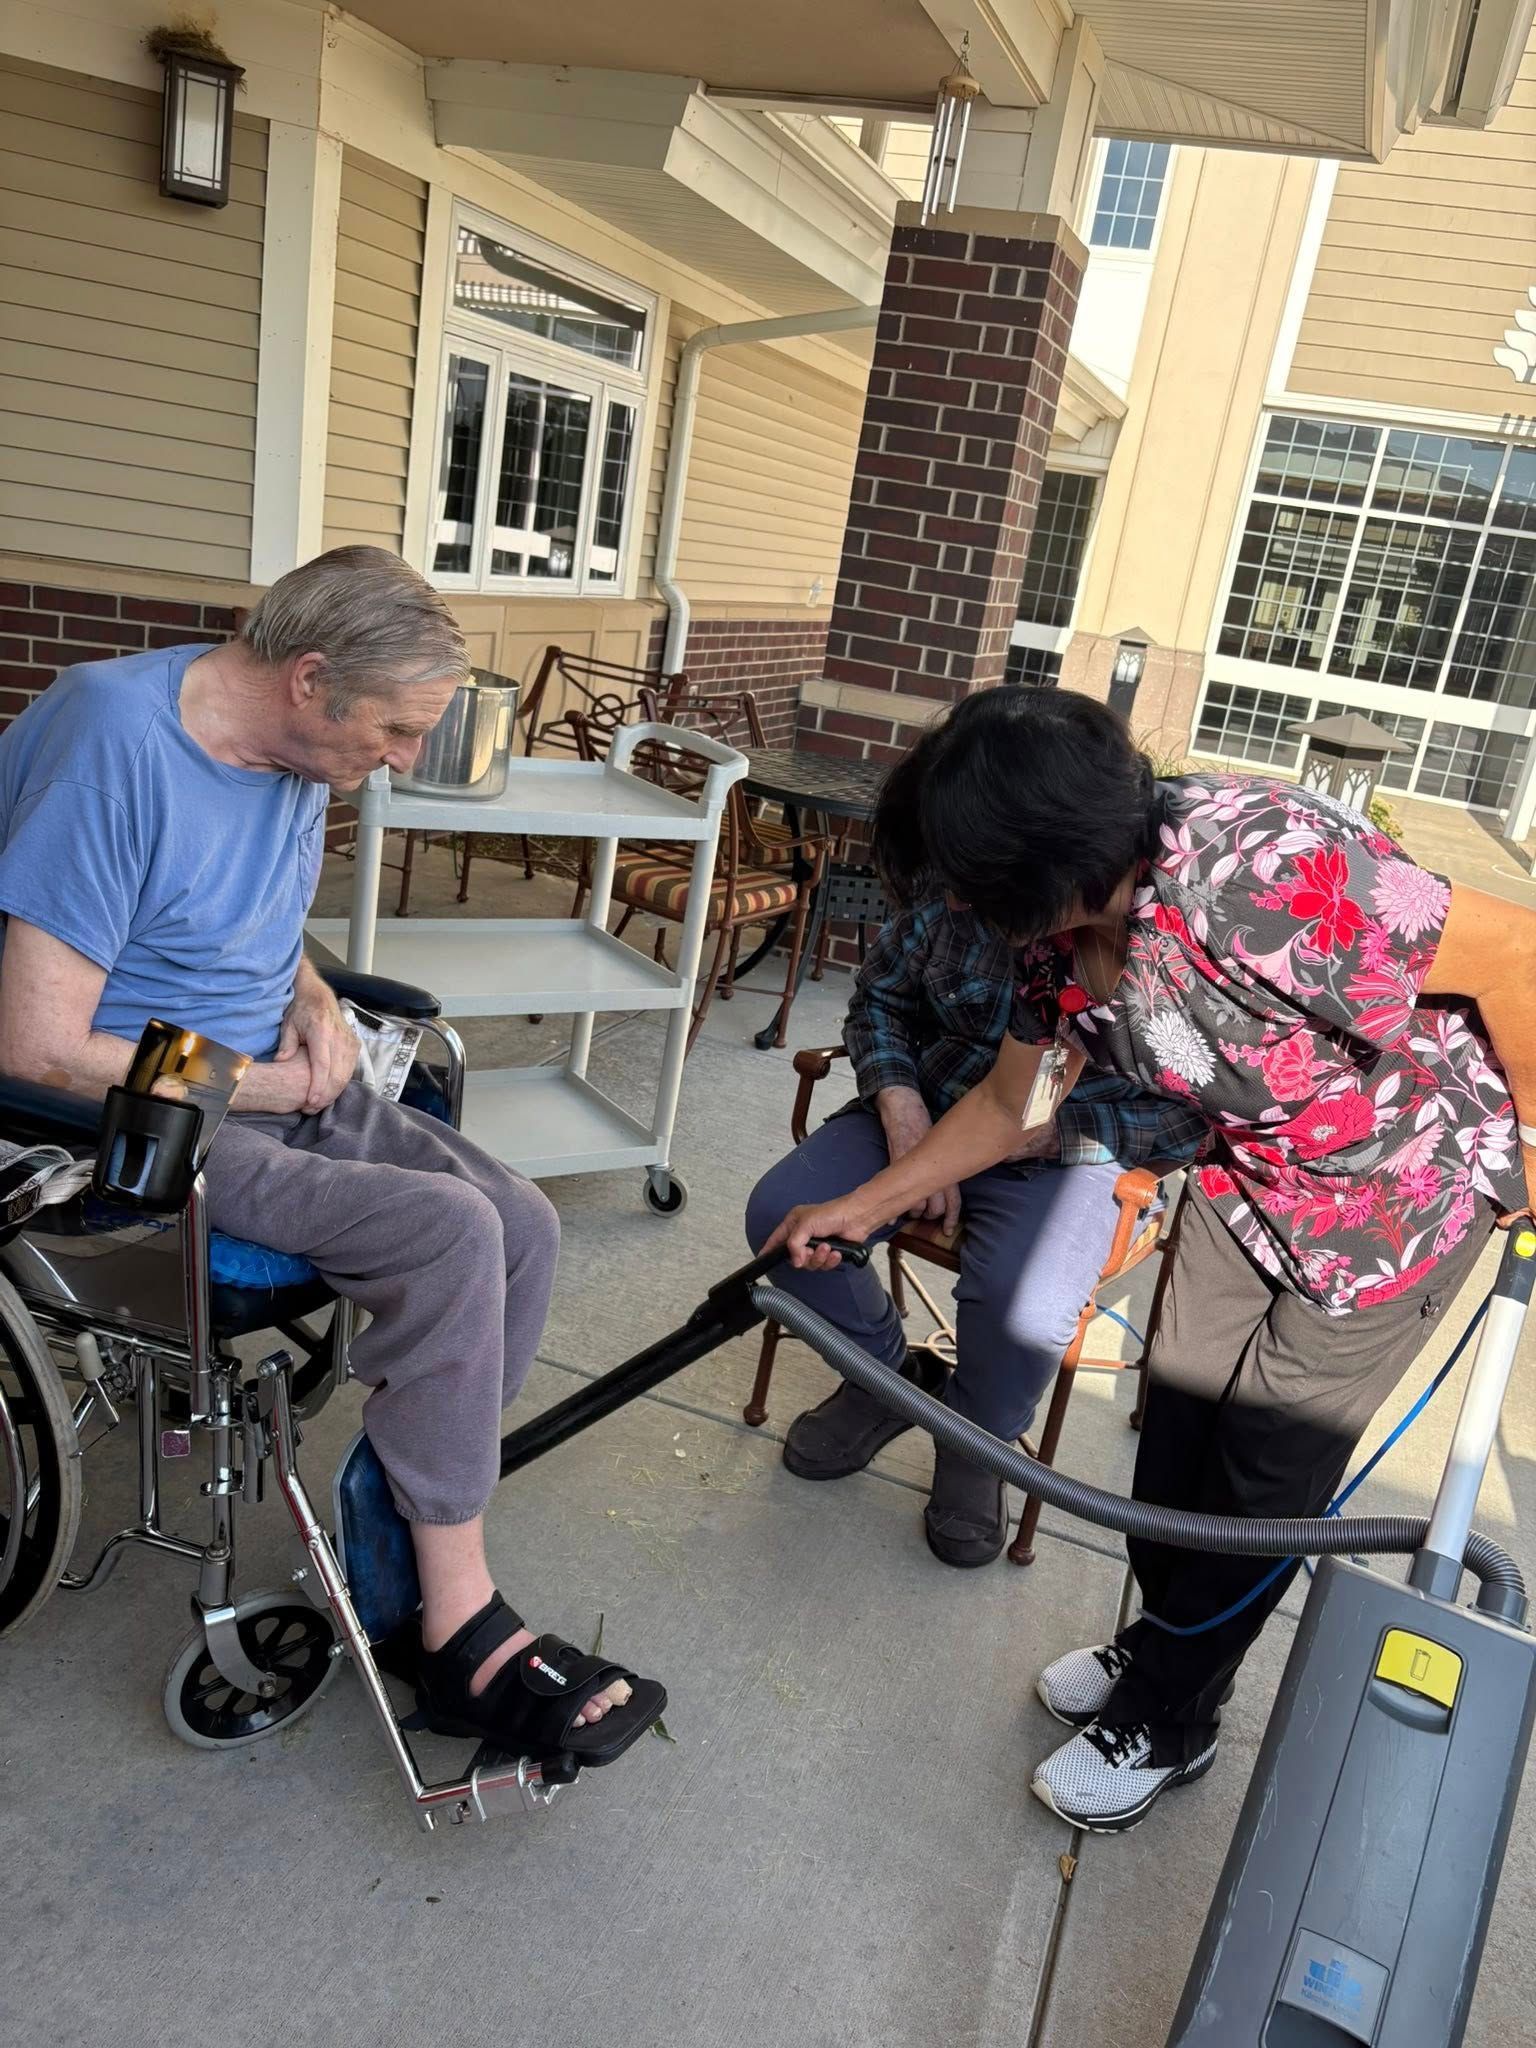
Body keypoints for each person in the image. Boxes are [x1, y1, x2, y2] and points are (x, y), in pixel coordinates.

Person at [767, 685, 1535, 1833]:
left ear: (1048, 856)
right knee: (1175, 1446)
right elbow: (1005, 1101)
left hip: (1392, 1199)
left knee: (1261, 1478)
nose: (958, 903)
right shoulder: (1047, 940)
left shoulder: (1263, 864)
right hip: (1248, 1179)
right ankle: (1157, 1653)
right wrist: (864, 1200)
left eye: (973, 879)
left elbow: (1518, 954)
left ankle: (1175, 1721)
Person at [0, 546, 664, 1767]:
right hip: (147, 1120)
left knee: (524, 1221)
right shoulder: (115, 744)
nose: (405, 756)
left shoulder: (296, 752)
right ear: (312, 680)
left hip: (277, 1072)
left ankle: (395, 1523)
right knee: (450, 1234)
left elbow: (235, 911)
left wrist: (309, 993)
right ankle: (454, 1623)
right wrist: (261, 1081)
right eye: (400, 729)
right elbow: (38, 1038)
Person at [745, 897, 1205, 1565]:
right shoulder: (951, 900)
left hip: (1070, 1154)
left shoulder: (1178, 949)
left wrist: (1057, 1134)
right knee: (781, 1216)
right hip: (927, 1116)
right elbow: (879, 1001)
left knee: (1029, 1310)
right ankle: (885, 1380)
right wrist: (902, 1113)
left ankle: (974, 1437)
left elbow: (1194, 1118)